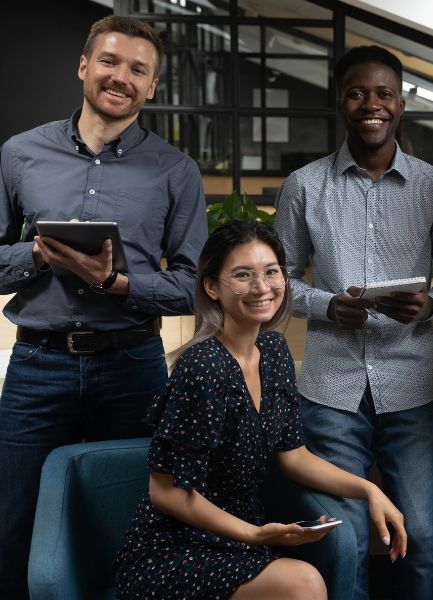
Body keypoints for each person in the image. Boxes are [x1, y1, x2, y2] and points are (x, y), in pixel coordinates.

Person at [0, 15, 207, 598]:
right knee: (14, 524)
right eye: (110, 62)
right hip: (37, 368)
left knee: (135, 520)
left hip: (132, 366)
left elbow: (194, 285)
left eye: (138, 69)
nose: (122, 77)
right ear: (84, 67)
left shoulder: (176, 171)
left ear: (153, 86)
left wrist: (116, 282)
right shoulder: (19, 154)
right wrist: (40, 255)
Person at [114, 220, 406, 599]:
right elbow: (165, 493)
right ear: (211, 286)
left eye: (271, 272)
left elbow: (294, 457)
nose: (262, 287)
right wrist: (253, 533)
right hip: (172, 548)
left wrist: (369, 490)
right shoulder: (203, 366)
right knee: (304, 583)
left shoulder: (274, 352)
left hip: (240, 538)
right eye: (243, 275)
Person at [274, 45, 433, 599]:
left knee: (422, 535)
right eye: (358, 93)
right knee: (348, 539)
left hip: (412, 383)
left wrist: (429, 304)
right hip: (331, 388)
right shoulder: (305, 185)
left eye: (383, 93)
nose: (371, 104)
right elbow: (280, 280)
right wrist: (329, 305)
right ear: (341, 102)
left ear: (401, 103)